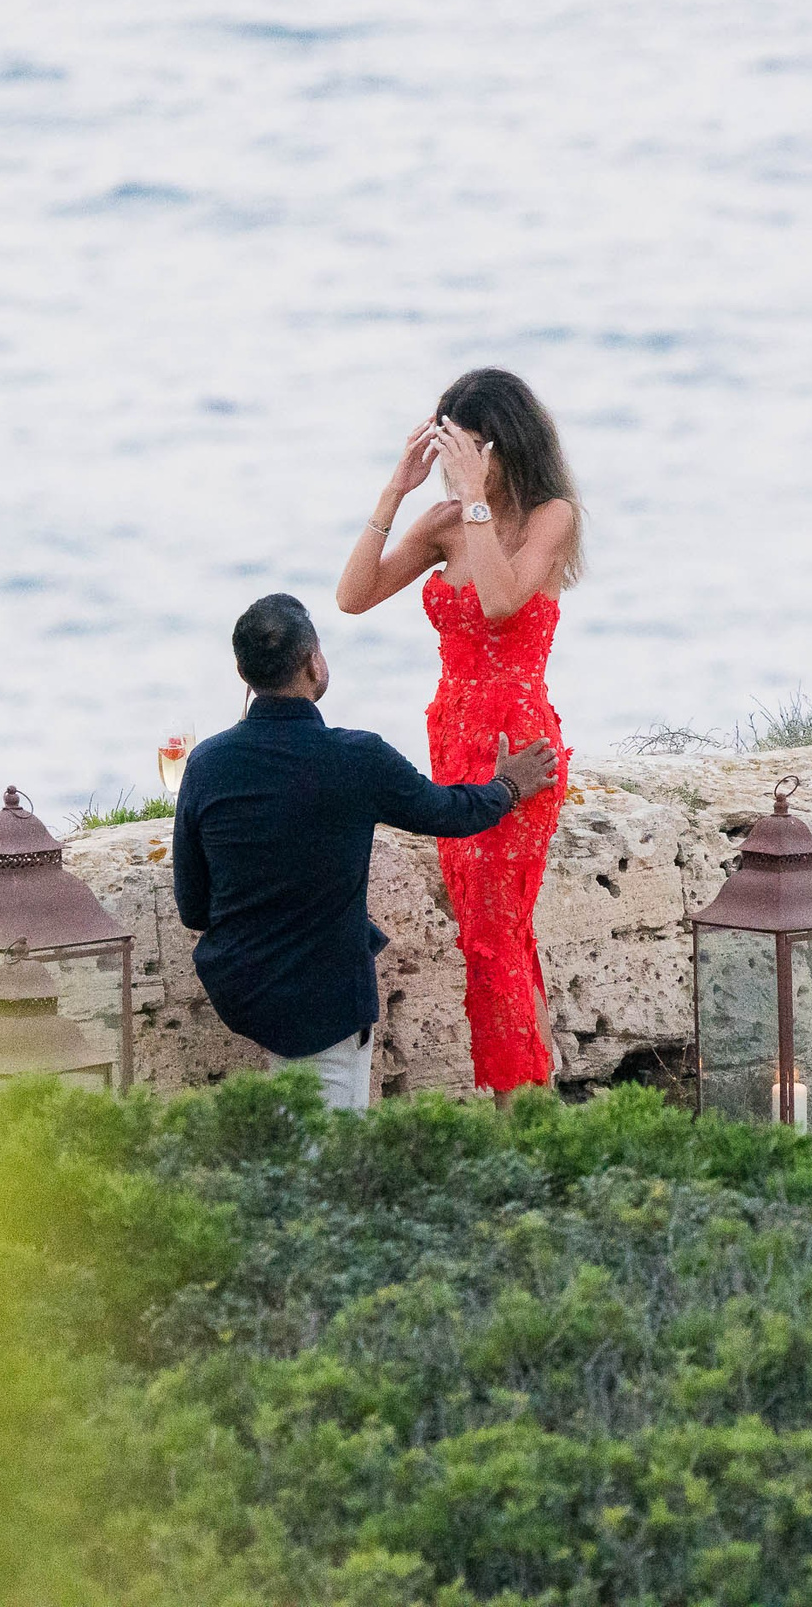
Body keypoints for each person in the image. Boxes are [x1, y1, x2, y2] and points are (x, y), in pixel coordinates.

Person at [172, 593, 559, 1110]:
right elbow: (448, 813)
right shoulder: (356, 758)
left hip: (242, 989)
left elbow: (193, 907)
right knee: (329, 1156)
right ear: (314, 663)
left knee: (286, 1129)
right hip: (324, 998)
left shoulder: (206, 763)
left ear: (244, 672)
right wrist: (509, 787)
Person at [334, 367, 583, 1102]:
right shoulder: (444, 520)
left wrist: (474, 500)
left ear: (503, 448)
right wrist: (393, 495)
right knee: (496, 932)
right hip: (453, 744)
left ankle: (522, 1113)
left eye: (468, 451)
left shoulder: (550, 517)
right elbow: (353, 596)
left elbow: (503, 601)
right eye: (448, 452)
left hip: (518, 751)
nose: (454, 466)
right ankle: (532, 1104)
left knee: (494, 935)